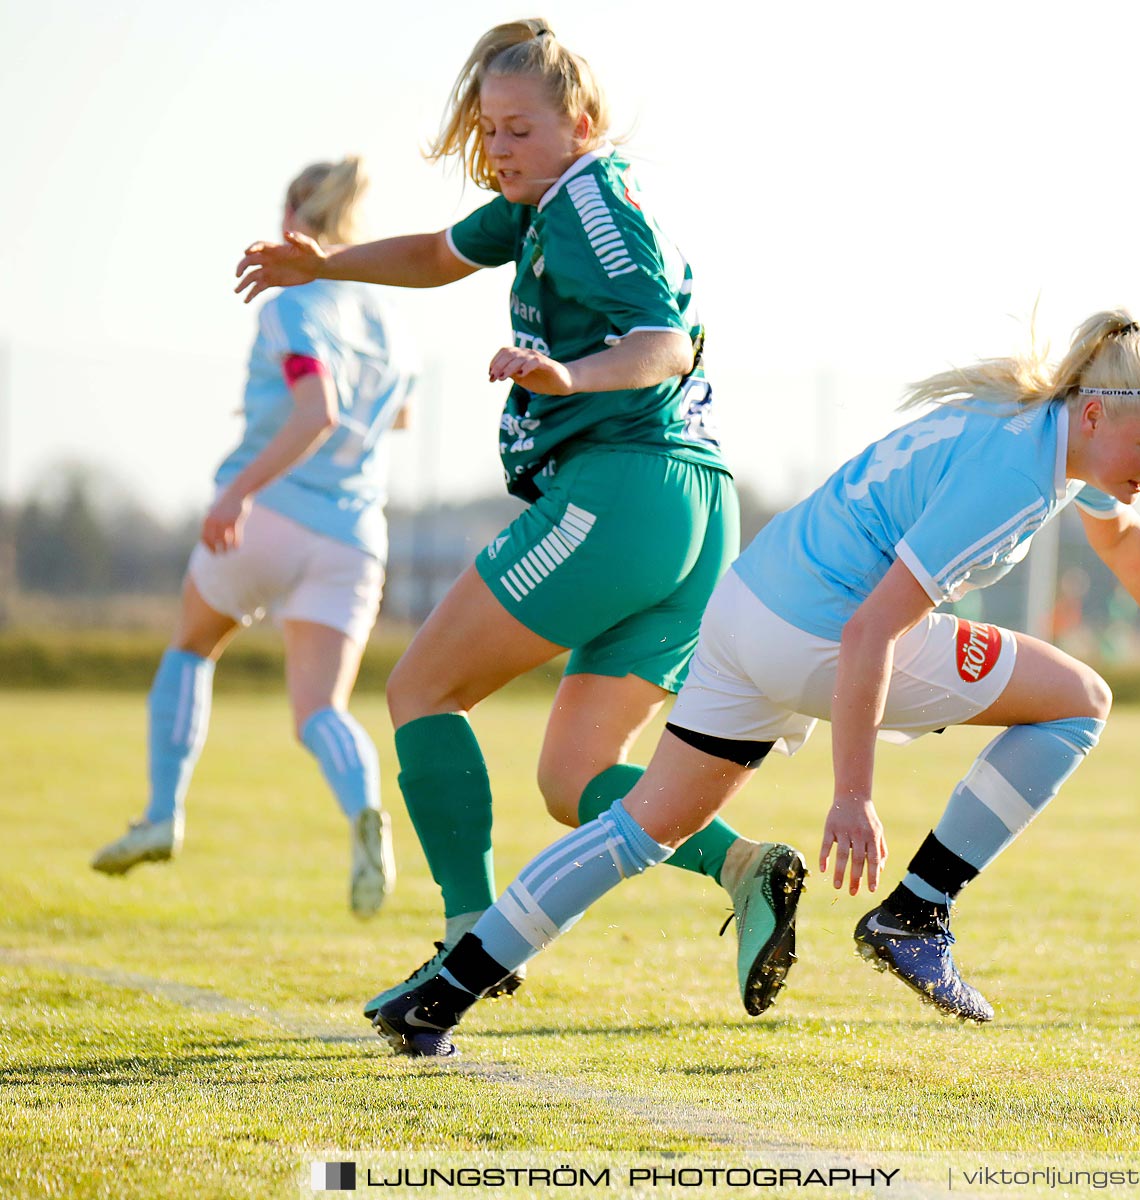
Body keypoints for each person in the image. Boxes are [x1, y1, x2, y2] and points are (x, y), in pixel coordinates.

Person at [369, 310, 1140, 1057]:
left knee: (643, 823)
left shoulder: (1037, 428)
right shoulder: (1015, 474)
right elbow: (871, 628)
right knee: (1080, 701)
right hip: (819, 633)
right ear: (1096, 413)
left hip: (743, 613)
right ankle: (917, 914)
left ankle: (441, 999)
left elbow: (1119, 533)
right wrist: (853, 795)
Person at [234, 19, 801, 1018]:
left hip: (627, 490)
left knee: (421, 690)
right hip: (692, 511)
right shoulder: (543, 204)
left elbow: (664, 342)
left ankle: (465, 941)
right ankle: (747, 868)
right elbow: (438, 254)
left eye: (518, 131)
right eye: (488, 132)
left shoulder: (591, 201)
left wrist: (566, 374)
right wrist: (323, 265)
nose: (497, 151)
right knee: (575, 774)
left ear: (580, 123)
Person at [93, 158, 410, 919]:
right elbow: (390, 423)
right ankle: (365, 811)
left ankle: (162, 814)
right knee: (320, 711)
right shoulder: (393, 320)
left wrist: (236, 491)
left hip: (269, 514)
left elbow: (316, 411)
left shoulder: (291, 301)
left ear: (299, 218)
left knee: (192, 647)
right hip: (356, 534)